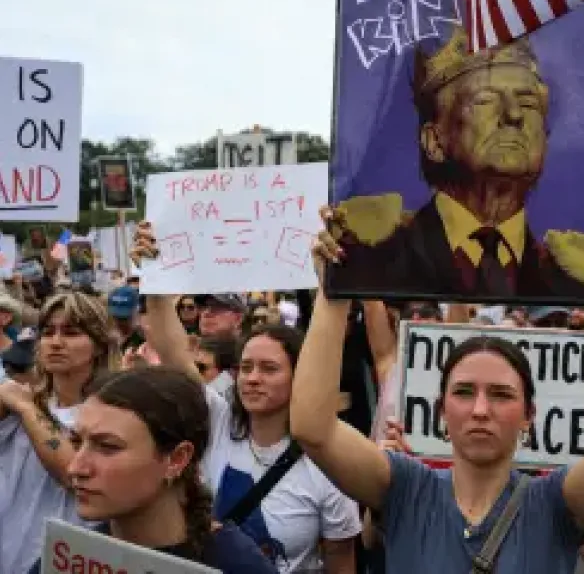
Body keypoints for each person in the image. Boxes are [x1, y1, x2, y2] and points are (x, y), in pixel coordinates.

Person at [291, 208, 584, 573]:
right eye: (464, 392)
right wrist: (333, 293)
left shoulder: (557, 503)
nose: (480, 409)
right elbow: (313, 429)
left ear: (529, 415)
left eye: (501, 395)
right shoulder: (404, 488)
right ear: (440, 410)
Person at [129, 224, 362, 574]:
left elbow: (341, 562)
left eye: (269, 369)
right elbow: (175, 353)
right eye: (246, 367)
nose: (252, 378)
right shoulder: (217, 420)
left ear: (300, 377)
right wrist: (155, 275)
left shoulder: (328, 463)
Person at [326, 25, 584, 300]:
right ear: (434, 141)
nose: (514, 115)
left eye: (528, 104)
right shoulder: (371, 256)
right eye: (485, 101)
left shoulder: (579, 279)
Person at [27, 366, 279, 573]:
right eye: (76, 442)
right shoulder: (70, 556)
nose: (76, 467)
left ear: (177, 459)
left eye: (107, 447)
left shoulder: (237, 565)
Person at [0, 292, 120, 572]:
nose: (55, 342)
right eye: (47, 332)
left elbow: (73, 473)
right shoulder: (16, 400)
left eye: (71, 333)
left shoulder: (115, 412)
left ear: (99, 345)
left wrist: (28, 410)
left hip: (68, 559)